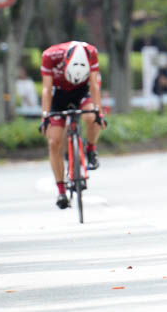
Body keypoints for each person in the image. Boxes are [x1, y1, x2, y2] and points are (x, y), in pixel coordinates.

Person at [39, 41, 107, 210]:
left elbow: (94, 85)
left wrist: (99, 113)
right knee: (54, 142)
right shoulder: (49, 56)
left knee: (92, 117)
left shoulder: (91, 52)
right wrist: (45, 116)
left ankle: (91, 149)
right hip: (59, 95)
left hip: (82, 92)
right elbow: (47, 89)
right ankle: (61, 191)